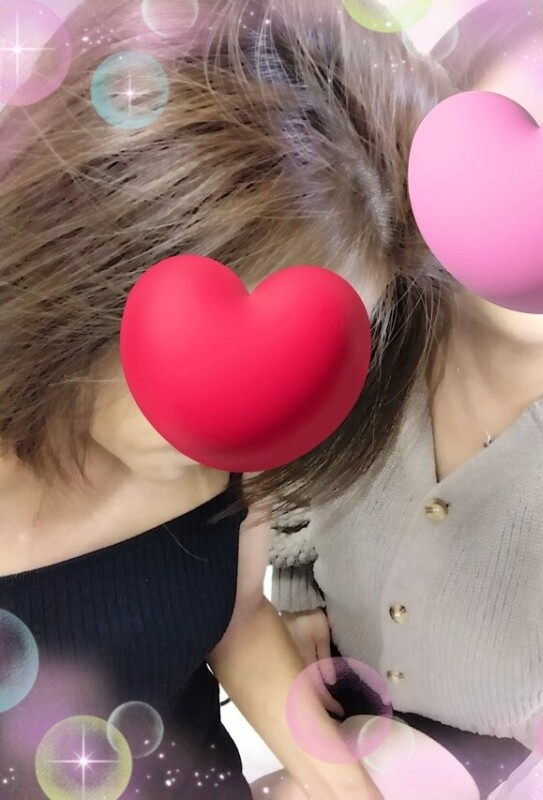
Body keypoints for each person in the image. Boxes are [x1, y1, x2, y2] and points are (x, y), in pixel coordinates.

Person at [0, 1, 455, 798]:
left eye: (306, 366)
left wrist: (350, 789)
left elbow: (239, 617)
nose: (251, 424)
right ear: (88, 260)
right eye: (223, 365)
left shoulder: (240, 461)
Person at [265, 1, 543, 797]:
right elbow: (290, 467)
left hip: (508, 757)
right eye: (509, 134)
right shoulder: (375, 319)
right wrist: (295, 589)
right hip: (333, 686)